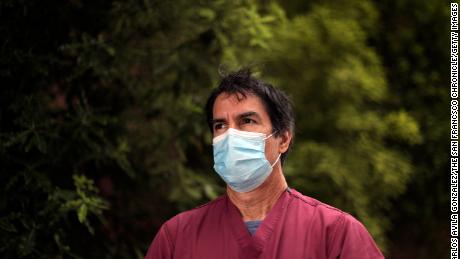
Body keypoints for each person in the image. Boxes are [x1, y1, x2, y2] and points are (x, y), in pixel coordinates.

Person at [145, 69, 385, 259]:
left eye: (247, 120)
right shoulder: (177, 237)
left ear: (283, 139)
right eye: (220, 125)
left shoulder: (335, 233)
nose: (231, 135)